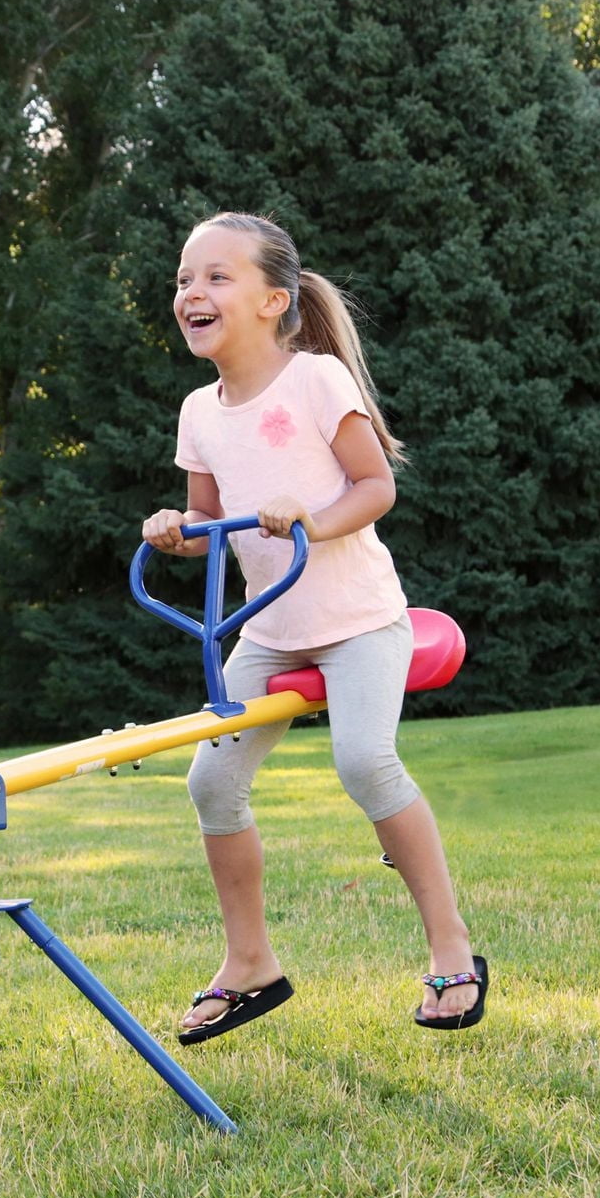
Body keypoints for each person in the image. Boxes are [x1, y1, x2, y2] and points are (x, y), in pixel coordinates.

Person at [141, 212, 487, 1045]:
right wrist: (176, 531)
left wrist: (311, 520)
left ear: (274, 299)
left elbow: (374, 488)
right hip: (267, 626)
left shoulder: (318, 381)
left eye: (217, 277)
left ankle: (454, 948)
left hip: (360, 618)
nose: (193, 292)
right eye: (185, 280)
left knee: (363, 760)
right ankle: (249, 962)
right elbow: (207, 519)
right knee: (210, 783)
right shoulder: (199, 410)